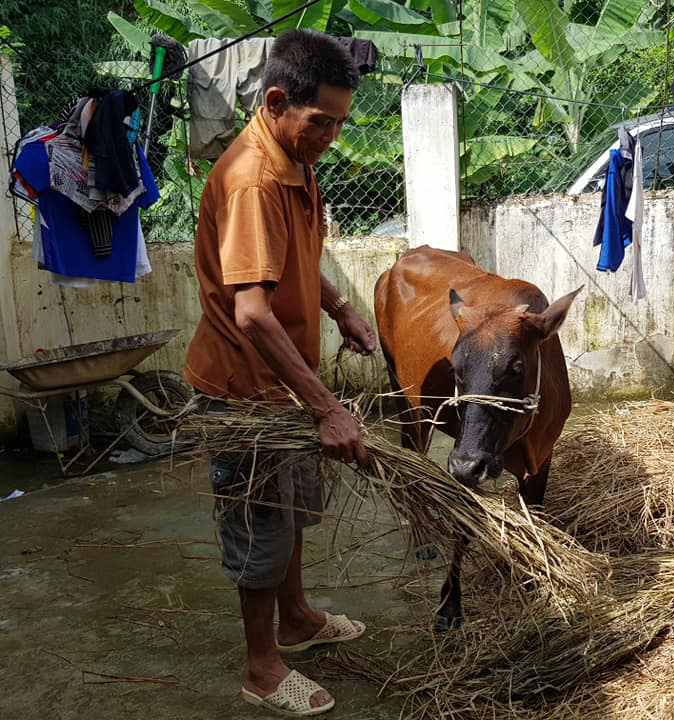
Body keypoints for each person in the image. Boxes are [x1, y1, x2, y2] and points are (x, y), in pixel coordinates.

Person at [183, 30, 376, 716]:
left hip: (284, 386)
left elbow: (298, 255)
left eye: (339, 123)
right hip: (244, 393)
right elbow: (253, 314)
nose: (330, 135)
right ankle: (262, 668)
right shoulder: (253, 178)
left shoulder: (295, 160)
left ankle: (295, 622)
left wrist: (340, 307)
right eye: (319, 120)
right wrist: (329, 406)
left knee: (292, 511)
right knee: (259, 523)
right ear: (274, 100)